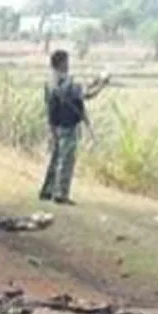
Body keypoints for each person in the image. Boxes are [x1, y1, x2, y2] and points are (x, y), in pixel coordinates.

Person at [40, 50, 109, 205]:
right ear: (62, 63)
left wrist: (97, 80)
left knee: (55, 159)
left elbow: (51, 105)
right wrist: (102, 84)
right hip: (68, 126)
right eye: (67, 61)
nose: (69, 64)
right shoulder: (68, 82)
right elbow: (86, 94)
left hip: (55, 125)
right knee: (66, 161)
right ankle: (61, 193)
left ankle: (48, 190)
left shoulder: (49, 82)